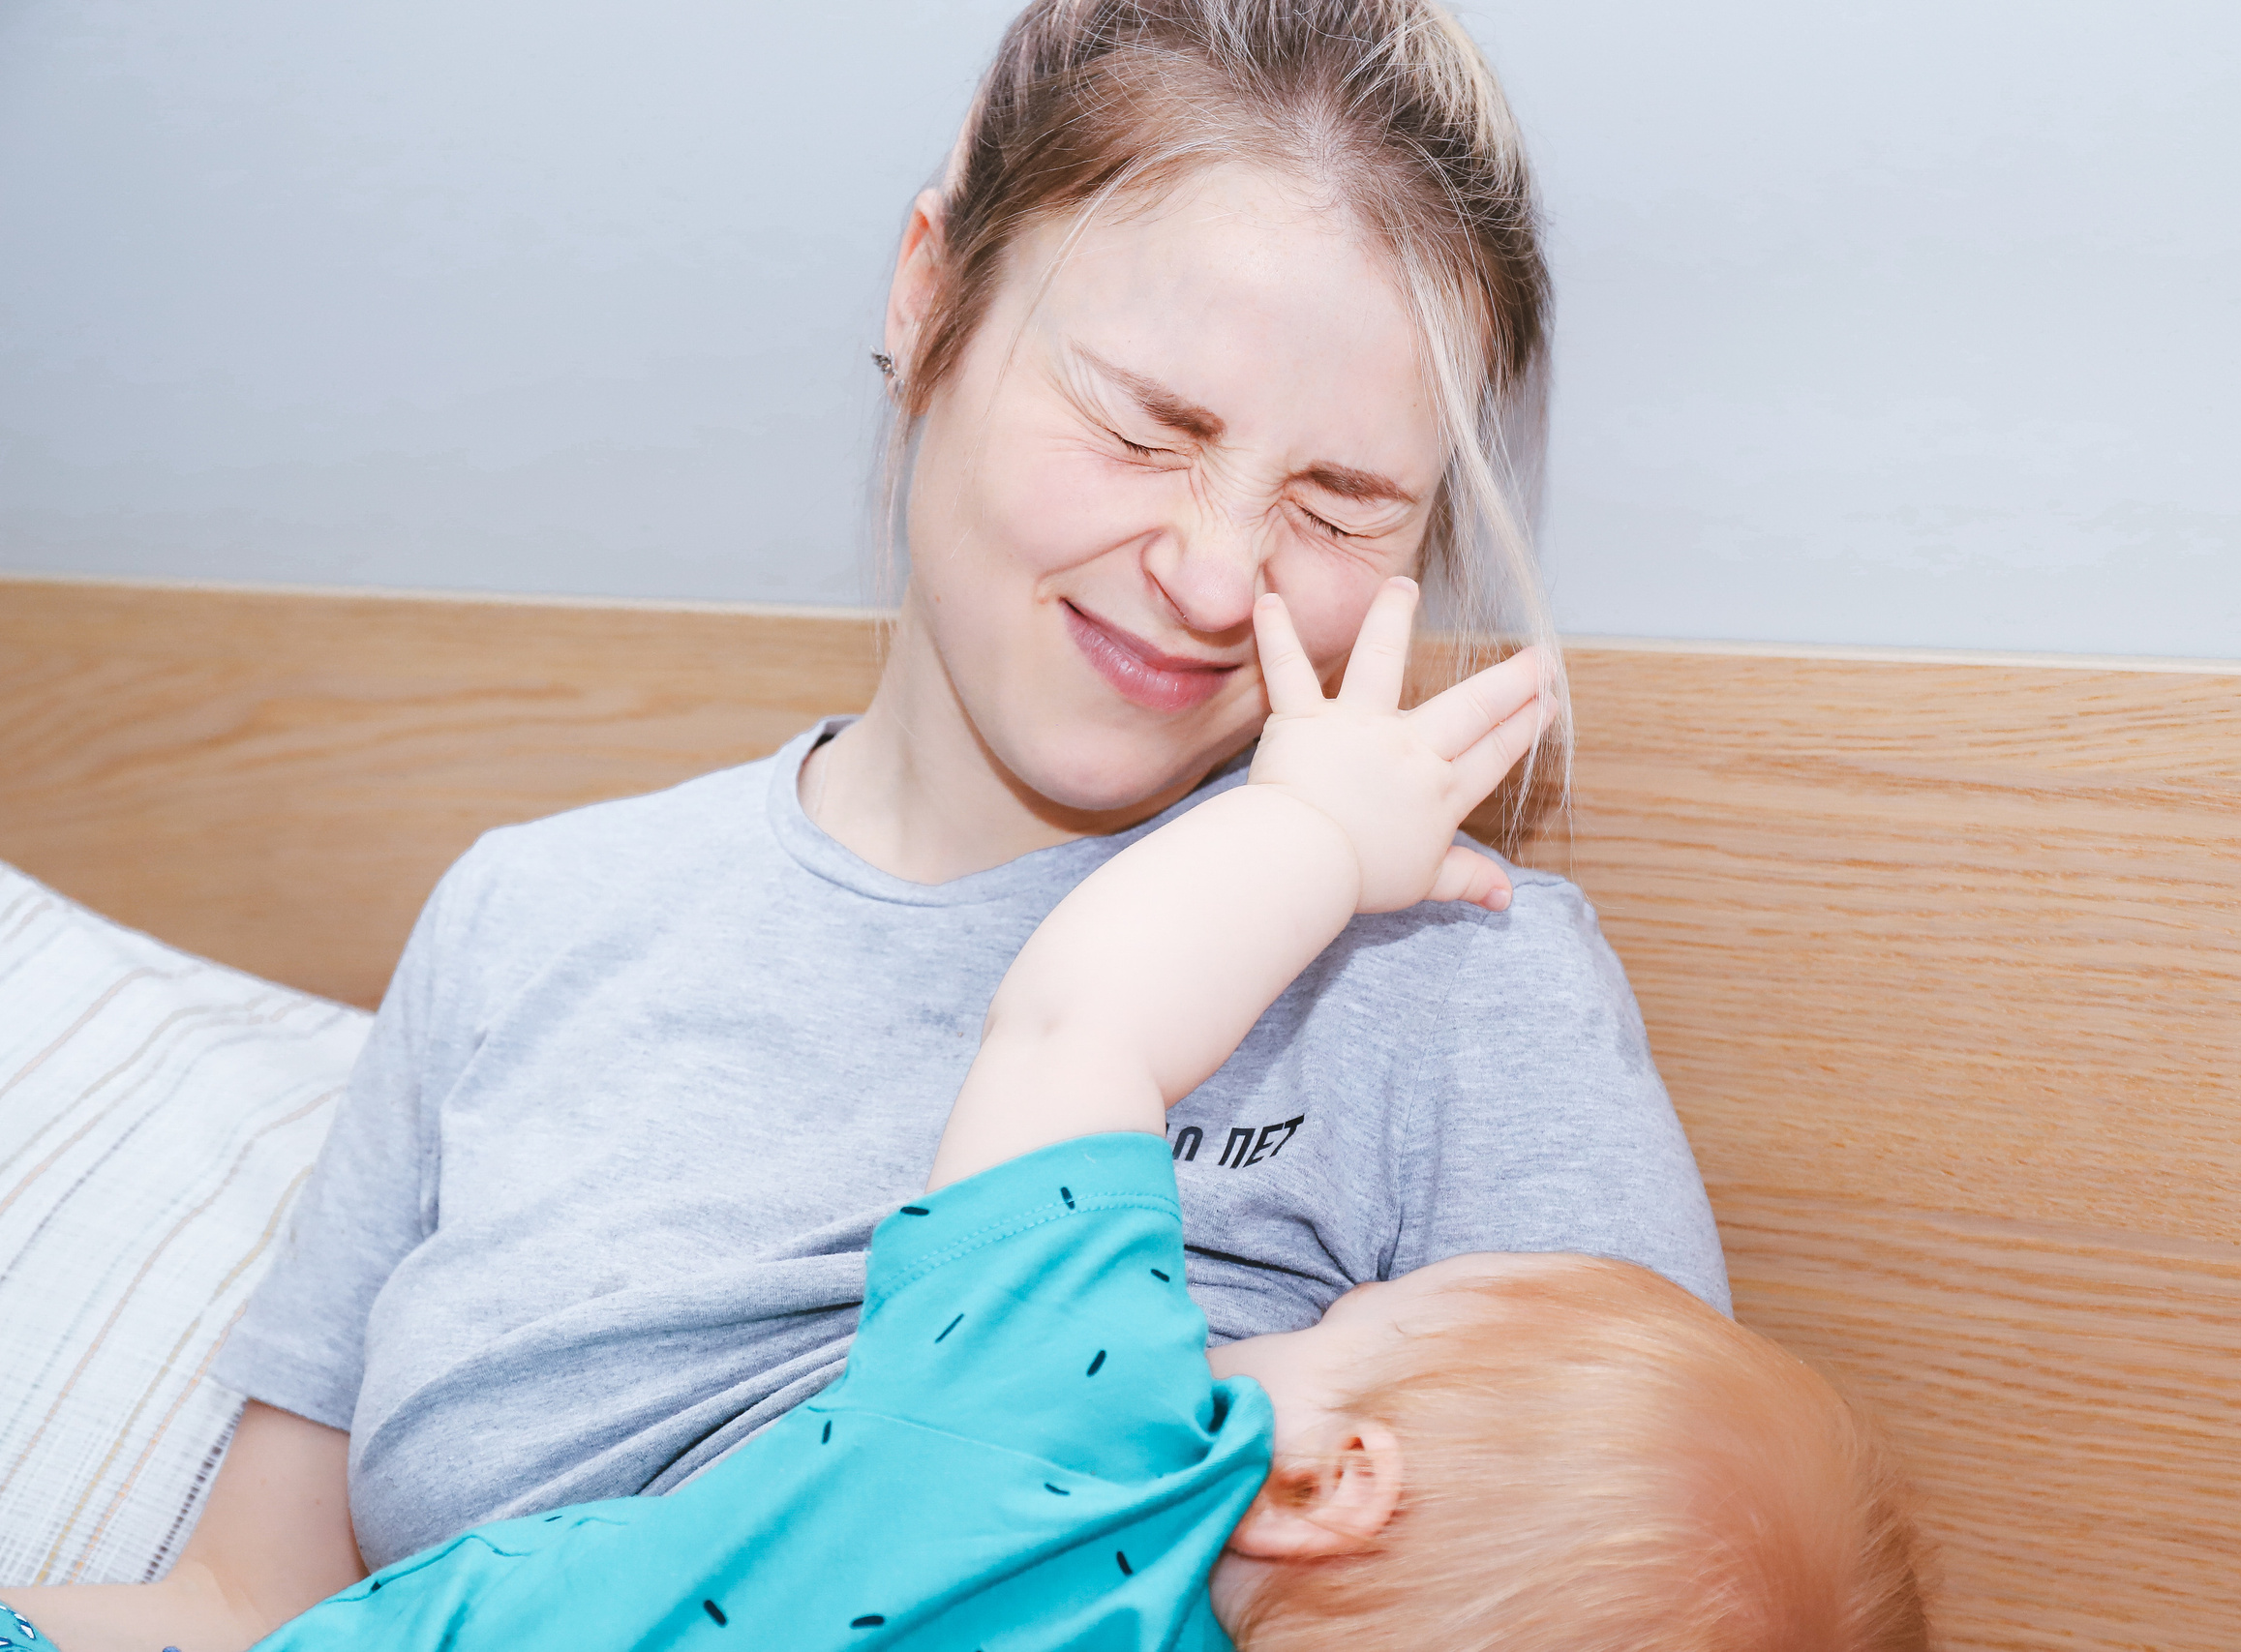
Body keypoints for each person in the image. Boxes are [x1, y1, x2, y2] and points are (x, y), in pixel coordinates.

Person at [4, 3, 1729, 1647]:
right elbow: (247, 1606)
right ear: (930, 292)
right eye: (1145, 426)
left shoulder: (1450, 972)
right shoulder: (525, 920)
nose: (1215, 576)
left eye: (1340, 505)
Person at [10, 586, 1922, 1652]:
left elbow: (1085, 1022)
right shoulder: (535, 907)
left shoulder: (1088, 1435)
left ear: (1330, 1477)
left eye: (1357, 1314)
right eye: (1145, 419)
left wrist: (1312, 831)